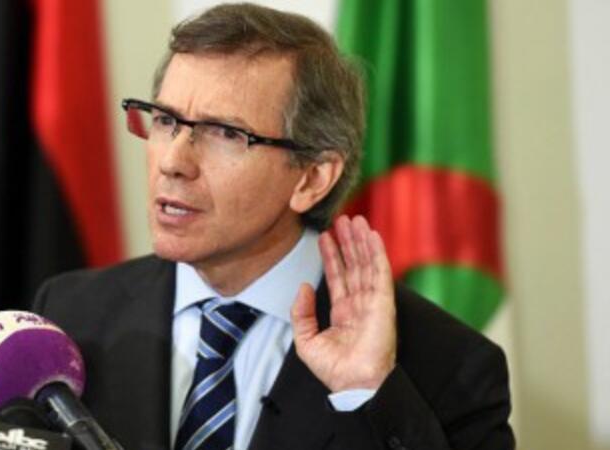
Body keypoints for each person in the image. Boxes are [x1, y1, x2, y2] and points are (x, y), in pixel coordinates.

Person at [34, 3, 513, 449]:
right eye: (164, 120)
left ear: (312, 177)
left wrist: (367, 393)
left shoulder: (450, 367)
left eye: (225, 133)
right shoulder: (70, 317)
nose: (173, 162)